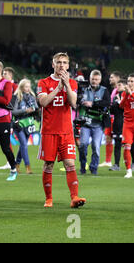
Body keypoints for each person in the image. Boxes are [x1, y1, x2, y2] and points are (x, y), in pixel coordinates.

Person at [37, 52, 86, 208]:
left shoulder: (72, 82)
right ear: (53, 64)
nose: (61, 65)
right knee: (49, 165)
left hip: (66, 131)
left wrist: (66, 86)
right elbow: (43, 102)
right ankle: (49, 199)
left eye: (64, 63)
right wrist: (58, 88)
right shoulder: (43, 82)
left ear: (68, 65)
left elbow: (73, 103)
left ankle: (74, 197)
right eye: (58, 62)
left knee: (70, 164)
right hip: (49, 131)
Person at [77, 70, 111, 175]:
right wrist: (81, 101)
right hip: (85, 123)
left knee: (96, 146)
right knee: (82, 145)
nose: (94, 81)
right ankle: (83, 166)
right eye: (92, 79)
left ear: (100, 80)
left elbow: (107, 103)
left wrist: (93, 103)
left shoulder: (104, 90)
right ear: (89, 79)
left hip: (98, 123)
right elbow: (76, 101)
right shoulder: (83, 90)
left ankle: (94, 168)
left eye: (96, 79)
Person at [11, 79, 38, 174]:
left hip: (28, 123)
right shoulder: (15, 97)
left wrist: (34, 109)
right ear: (21, 87)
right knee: (24, 145)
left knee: (23, 145)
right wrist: (25, 111)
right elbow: (13, 111)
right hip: (18, 124)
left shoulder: (32, 96)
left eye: (29, 86)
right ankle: (28, 166)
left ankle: (16, 164)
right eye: (26, 86)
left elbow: (36, 107)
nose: (28, 88)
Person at [0, 66, 17, 171]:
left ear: (10, 75)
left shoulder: (14, 86)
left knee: (7, 141)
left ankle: (11, 163)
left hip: (10, 117)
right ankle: (10, 162)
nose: (3, 75)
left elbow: (13, 103)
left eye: (5, 74)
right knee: (5, 141)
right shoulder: (4, 85)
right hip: (6, 117)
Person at [99, 71, 121, 168]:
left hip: (116, 119)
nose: (110, 79)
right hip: (110, 118)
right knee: (108, 139)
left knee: (121, 141)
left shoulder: (120, 90)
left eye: (112, 77)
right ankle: (108, 161)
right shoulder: (113, 90)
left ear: (117, 78)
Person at [109, 79, 126, 171]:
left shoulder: (126, 95)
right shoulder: (116, 96)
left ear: (124, 86)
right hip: (117, 124)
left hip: (125, 123)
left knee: (128, 144)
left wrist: (120, 102)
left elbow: (126, 109)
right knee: (117, 144)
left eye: (119, 85)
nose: (117, 87)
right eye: (117, 85)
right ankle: (116, 164)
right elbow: (113, 110)